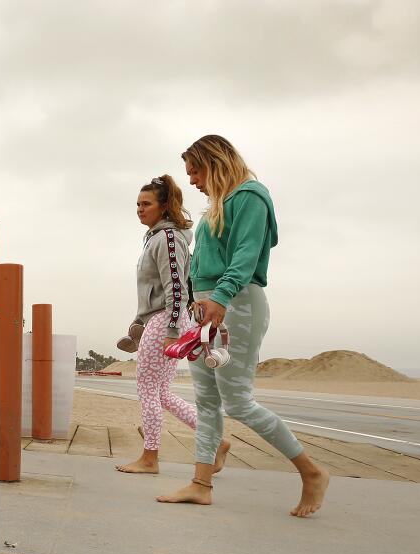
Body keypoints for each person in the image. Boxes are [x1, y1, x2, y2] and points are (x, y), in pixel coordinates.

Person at [157, 136, 329, 517]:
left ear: (216, 162)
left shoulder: (250, 196)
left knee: (238, 401)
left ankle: (312, 472)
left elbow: (247, 255)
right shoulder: (215, 208)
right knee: (207, 402)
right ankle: (201, 485)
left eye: (196, 171)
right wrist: (195, 305)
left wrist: (219, 298)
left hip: (235, 303)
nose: (194, 181)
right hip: (206, 307)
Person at [116, 175, 231, 475]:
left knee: (147, 390)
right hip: (159, 319)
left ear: (164, 206)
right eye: (137, 204)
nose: (140, 209)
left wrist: (170, 332)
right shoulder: (157, 238)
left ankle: (150, 458)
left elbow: (176, 288)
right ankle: (216, 442)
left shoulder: (167, 238)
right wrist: (138, 321)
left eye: (147, 204)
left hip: (165, 320)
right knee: (163, 393)